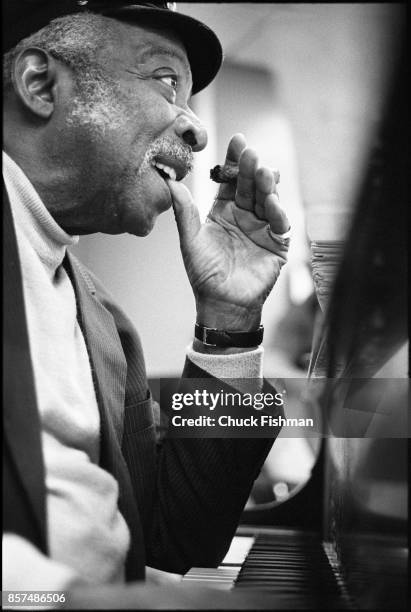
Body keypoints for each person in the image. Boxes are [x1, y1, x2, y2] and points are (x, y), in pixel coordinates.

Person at [2, 0, 291, 597]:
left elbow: (176, 537)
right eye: (165, 81)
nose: (196, 127)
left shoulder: (103, 321)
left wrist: (229, 321)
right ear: (39, 84)